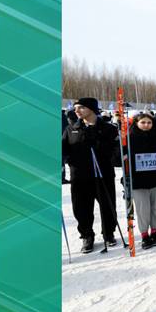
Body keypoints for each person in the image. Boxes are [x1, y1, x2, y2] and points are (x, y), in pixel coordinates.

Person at [61, 97, 120, 253]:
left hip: (103, 174)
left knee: (107, 205)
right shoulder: (71, 129)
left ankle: (109, 233)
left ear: (92, 109)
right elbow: (63, 150)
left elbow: (116, 150)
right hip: (80, 176)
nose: (76, 111)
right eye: (75, 108)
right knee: (81, 208)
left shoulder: (108, 128)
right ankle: (87, 236)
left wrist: (115, 157)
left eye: (80, 108)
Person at [128, 112, 156, 249]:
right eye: (143, 123)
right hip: (138, 181)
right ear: (136, 123)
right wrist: (121, 157)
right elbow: (117, 159)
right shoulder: (129, 139)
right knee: (142, 210)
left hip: (155, 180)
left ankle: (154, 232)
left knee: (155, 208)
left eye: (149, 123)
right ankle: (144, 235)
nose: (146, 125)